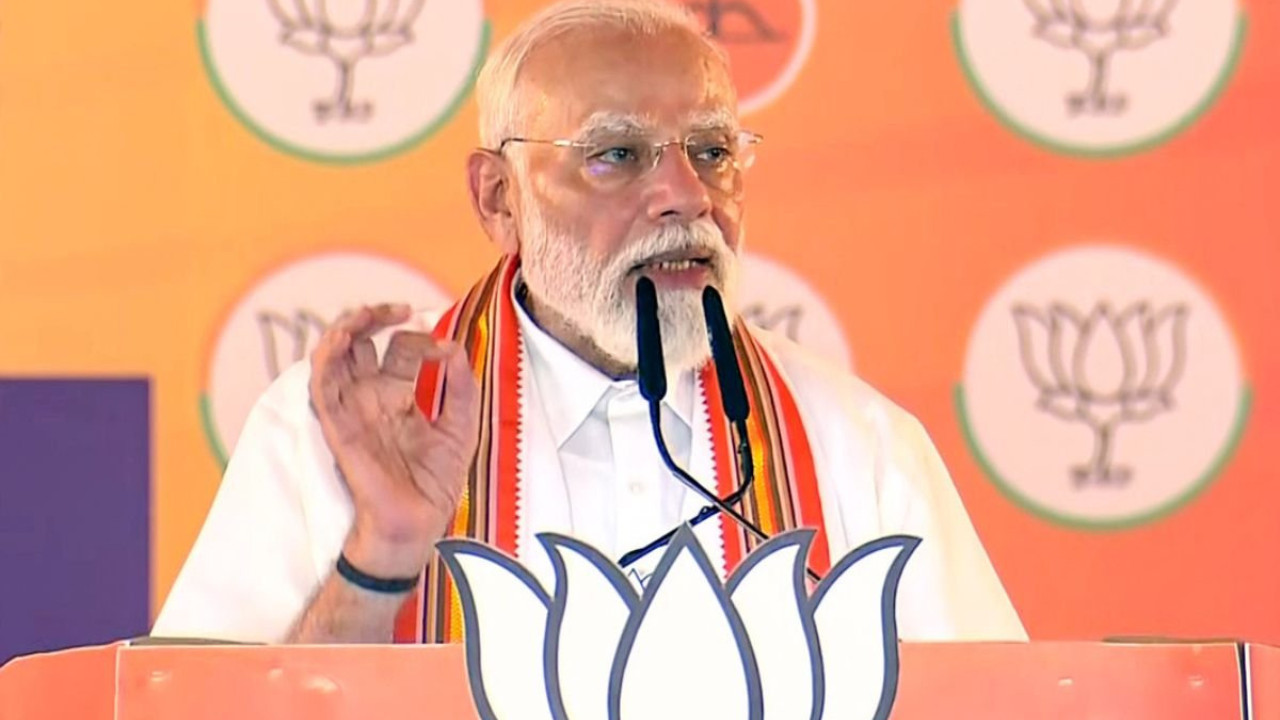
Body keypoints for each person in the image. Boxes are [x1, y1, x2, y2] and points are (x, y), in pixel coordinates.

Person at [152, 0, 1027, 645]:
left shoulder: (860, 446)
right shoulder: (342, 432)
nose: (686, 196)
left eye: (713, 151)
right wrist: (381, 553)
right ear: (499, 199)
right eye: (617, 155)